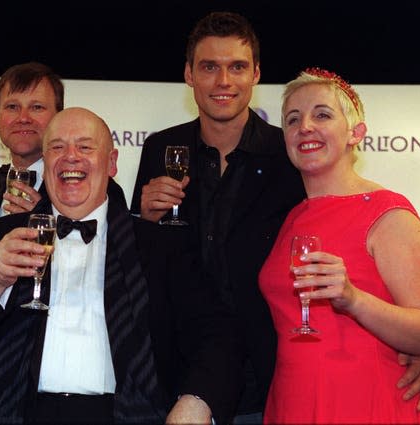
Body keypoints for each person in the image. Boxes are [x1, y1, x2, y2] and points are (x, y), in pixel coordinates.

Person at [0, 107, 240, 424]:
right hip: (16, 414)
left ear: (111, 163)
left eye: (84, 146)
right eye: (57, 147)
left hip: (126, 416)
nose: (70, 157)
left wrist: (197, 402)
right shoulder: (3, 236)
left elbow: (218, 333)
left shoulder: (158, 246)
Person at [130, 11, 306, 423]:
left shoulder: (287, 155)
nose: (223, 81)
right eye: (209, 67)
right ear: (189, 74)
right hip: (176, 370)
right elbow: (142, 260)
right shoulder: (162, 148)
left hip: (269, 374)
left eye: (237, 67)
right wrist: (144, 219)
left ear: (256, 74)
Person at [258, 67, 420, 424]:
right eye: (292, 119)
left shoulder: (387, 212)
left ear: (355, 133)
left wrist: (354, 299)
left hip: (364, 403)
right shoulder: (293, 217)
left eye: (322, 115)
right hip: (292, 401)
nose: (305, 128)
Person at [0, 61, 126, 218]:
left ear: (58, 116)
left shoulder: (100, 187)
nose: (23, 118)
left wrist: (46, 217)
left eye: (37, 107)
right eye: (12, 107)